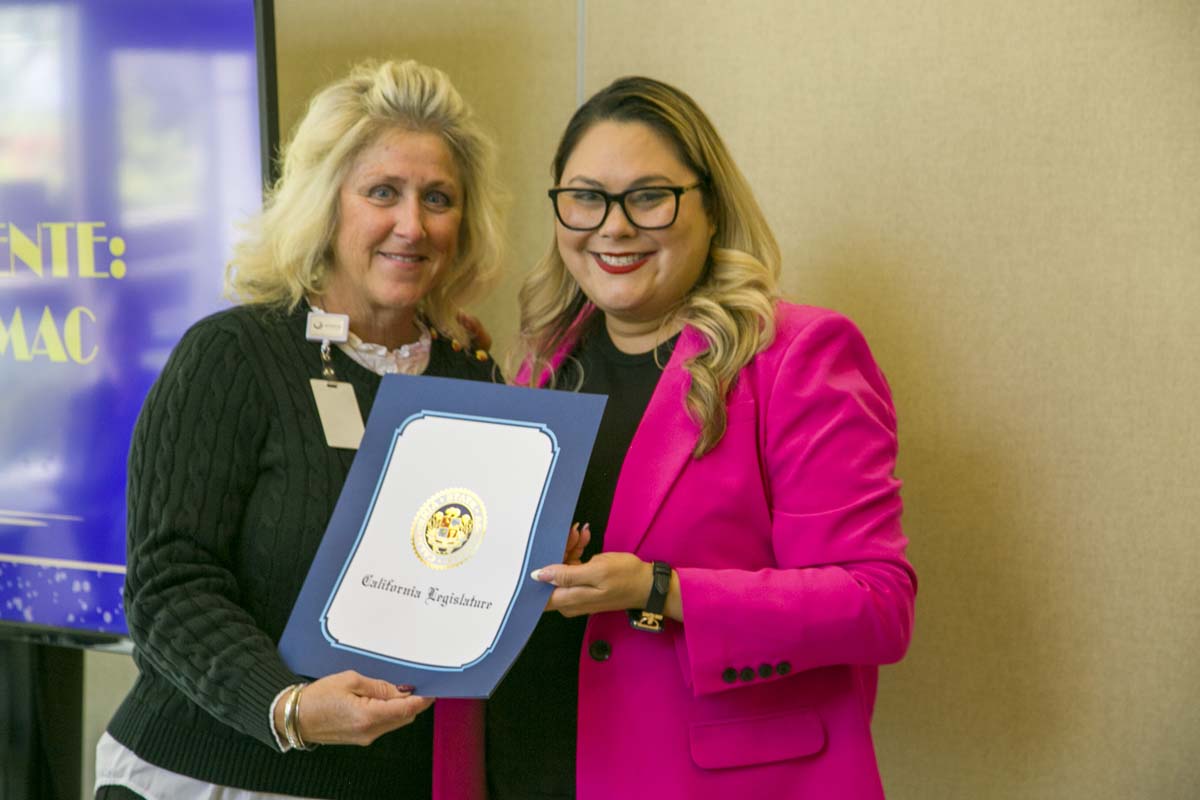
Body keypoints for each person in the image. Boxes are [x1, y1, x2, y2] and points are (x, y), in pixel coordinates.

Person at [443, 76, 917, 799]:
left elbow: (876, 605)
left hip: (699, 777)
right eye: (586, 197)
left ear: (711, 206)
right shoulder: (543, 363)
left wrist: (658, 588)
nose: (614, 226)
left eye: (648, 197)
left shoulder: (798, 355)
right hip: (528, 756)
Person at [95, 59, 505, 800]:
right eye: (383, 192)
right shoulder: (232, 355)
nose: (412, 225)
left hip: (394, 779)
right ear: (326, 204)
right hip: (211, 773)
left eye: (438, 198)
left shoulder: (474, 376)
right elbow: (167, 586)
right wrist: (286, 708)